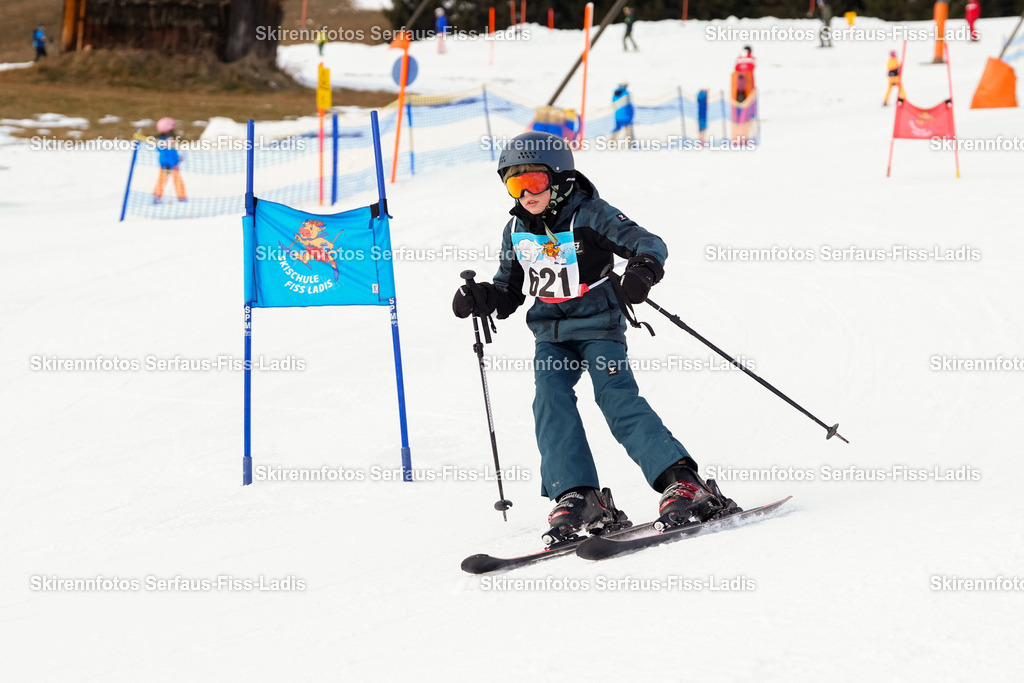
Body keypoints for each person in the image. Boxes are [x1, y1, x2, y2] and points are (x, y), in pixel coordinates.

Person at [451, 131, 735, 543]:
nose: (526, 194)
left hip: (599, 325)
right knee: (549, 401)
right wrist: (481, 298)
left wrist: (641, 271)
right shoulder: (515, 230)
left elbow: (647, 242)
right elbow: (509, 291)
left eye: (534, 182)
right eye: (515, 184)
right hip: (550, 333)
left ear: (561, 178)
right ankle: (579, 495)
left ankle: (683, 481)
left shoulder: (590, 214)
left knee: (615, 397)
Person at [152, 118, 187, 204]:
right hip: (166, 165)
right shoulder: (163, 140)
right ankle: (157, 196)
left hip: (174, 164)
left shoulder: (169, 139)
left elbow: (173, 152)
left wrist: (178, 157)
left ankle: (182, 197)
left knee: (177, 181)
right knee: (163, 181)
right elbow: (164, 152)